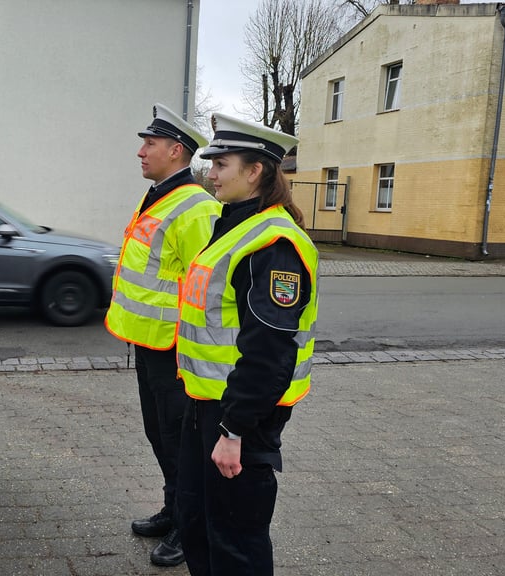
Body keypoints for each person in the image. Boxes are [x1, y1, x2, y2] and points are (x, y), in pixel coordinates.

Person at [174, 113, 319, 575]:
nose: (211, 174)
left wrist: (234, 431)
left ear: (255, 171)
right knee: (197, 521)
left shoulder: (273, 243)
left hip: (240, 415)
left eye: (222, 164)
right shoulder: (233, 224)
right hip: (207, 402)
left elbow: (270, 352)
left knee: (236, 538)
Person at [104, 103, 221, 567]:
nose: (140, 152)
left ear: (176, 151)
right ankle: (174, 508)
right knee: (159, 434)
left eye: (149, 144)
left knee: (178, 440)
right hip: (150, 341)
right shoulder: (158, 194)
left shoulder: (195, 207)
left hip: (175, 348)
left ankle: (188, 526)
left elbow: (206, 290)